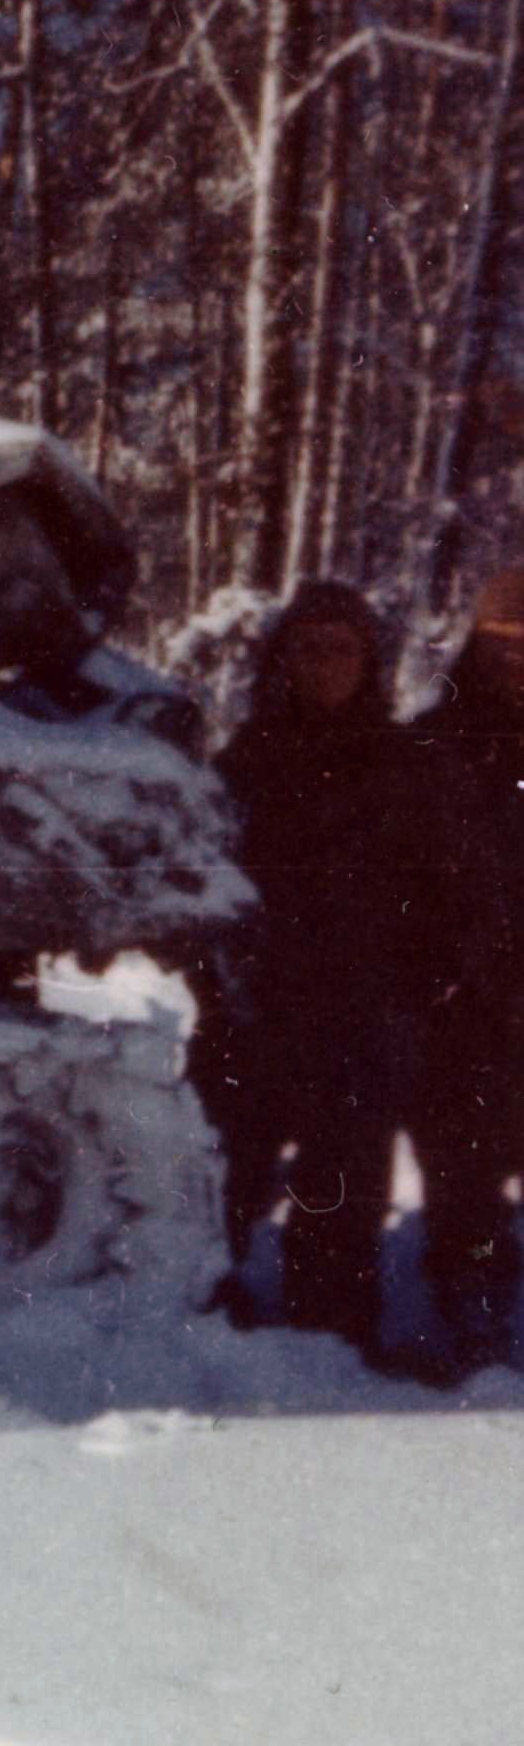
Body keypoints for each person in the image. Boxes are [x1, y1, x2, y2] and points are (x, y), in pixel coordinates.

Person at [204, 580, 430, 1352]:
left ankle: (328, 1333)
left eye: (342, 648)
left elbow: (434, 890)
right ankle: (200, 1316)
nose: (325, 664)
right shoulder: (245, 759)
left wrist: (409, 991)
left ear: (368, 660)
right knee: (223, 1174)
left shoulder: (403, 764)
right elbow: (207, 880)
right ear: (283, 659)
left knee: (342, 1183)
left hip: (360, 1014)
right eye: (309, 647)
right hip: (254, 1008)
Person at [404, 568, 524, 1372]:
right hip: (464, 996)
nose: (517, 661)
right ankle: (471, 1308)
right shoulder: (429, 745)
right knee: (466, 1169)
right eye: (503, 644)